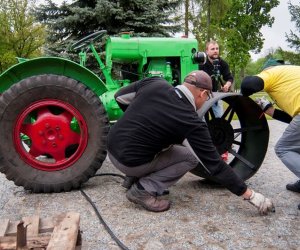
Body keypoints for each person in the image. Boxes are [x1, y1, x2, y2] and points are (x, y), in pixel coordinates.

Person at [107, 70, 274, 214]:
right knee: (189, 157)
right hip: (129, 162)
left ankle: (132, 177)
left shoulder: (155, 82)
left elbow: (119, 96)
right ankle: (143, 189)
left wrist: (137, 123)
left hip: (112, 147)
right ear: (203, 94)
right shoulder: (190, 120)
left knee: (167, 144)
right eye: (207, 97)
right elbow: (215, 165)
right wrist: (251, 196)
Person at [241, 58, 300, 210]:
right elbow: (293, 119)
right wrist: (270, 110)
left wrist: (243, 95)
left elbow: (249, 84)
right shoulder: (293, 73)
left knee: (283, 148)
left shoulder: (272, 73)